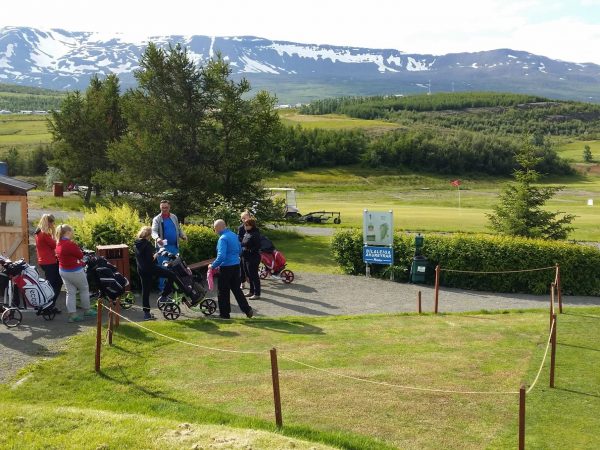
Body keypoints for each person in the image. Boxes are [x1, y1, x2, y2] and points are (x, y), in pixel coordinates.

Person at [209, 219, 254, 319]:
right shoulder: (233, 235)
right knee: (236, 289)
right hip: (235, 266)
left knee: (223, 291)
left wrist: (212, 266)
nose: (215, 231)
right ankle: (247, 309)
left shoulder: (223, 238)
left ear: (219, 228)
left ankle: (224, 314)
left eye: (215, 229)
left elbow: (221, 256)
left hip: (226, 267)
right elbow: (239, 250)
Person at [134, 226, 179, 321]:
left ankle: (146, 314)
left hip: (141, 270)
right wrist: (158, 253)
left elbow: (142, 258)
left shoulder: (136, 244)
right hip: (151, 268)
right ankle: (164, 296)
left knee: (145, 291)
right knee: (172, 275)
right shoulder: (147, 244)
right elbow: (150, 259)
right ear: (148, 235)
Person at [55, 224, 94, 323]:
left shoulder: (58, 243)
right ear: (68, 232)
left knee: (70, 292)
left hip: (63, 271)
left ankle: (73, 315)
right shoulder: (69, 244)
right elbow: (80, 255)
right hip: (75, 271)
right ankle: (87, 310)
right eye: (72, 231)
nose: (73, 233)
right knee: (84, 289)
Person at [151, 200, 187, 290]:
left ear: (169, 207)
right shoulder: (157, 219)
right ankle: (162, 289)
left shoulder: (174, 217)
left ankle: (175, 287)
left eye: (166, 207)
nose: (164, 209)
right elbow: (153, 231)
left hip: (174, 247)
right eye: (162, 208)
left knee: (176, 267)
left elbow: (178, 229)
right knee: (163, 268)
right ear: (160, 208)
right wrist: (157, 238)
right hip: (163, 248)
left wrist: (182, 235)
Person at [34, 214, 63, 312]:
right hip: (49, 262)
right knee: (56, 283)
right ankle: (49, 306)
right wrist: (55, 232)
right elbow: (55, 244)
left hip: (44, 261)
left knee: (51, 284)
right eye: (52, 222)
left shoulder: (38, 232)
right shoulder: (44, 234)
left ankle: (50, 305)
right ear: (49, 222)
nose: (54, 224)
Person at [241, 218, 261, 300]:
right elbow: (243, 243)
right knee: (248, 275)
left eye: (246, 225)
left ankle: (257, 293)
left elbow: (258, 246)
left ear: (251, 225)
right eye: (244, 225)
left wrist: (249, 250)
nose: (245, 227)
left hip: (253, 258)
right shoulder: (247, 233)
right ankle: (251, 291)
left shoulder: (255, 234)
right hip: (245, 257)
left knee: (254, 275)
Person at [237, 210, 252, 289]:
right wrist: (243, 242)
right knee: (242, 267)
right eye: (242, 218)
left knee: (250, 267)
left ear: (249, 217)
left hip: (251, 250)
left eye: (245, 218)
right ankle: (242, 282)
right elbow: (239, 237)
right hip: (243, 249)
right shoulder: (240, 228)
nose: (244, 220)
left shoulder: (253, 226)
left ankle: (251, 281)